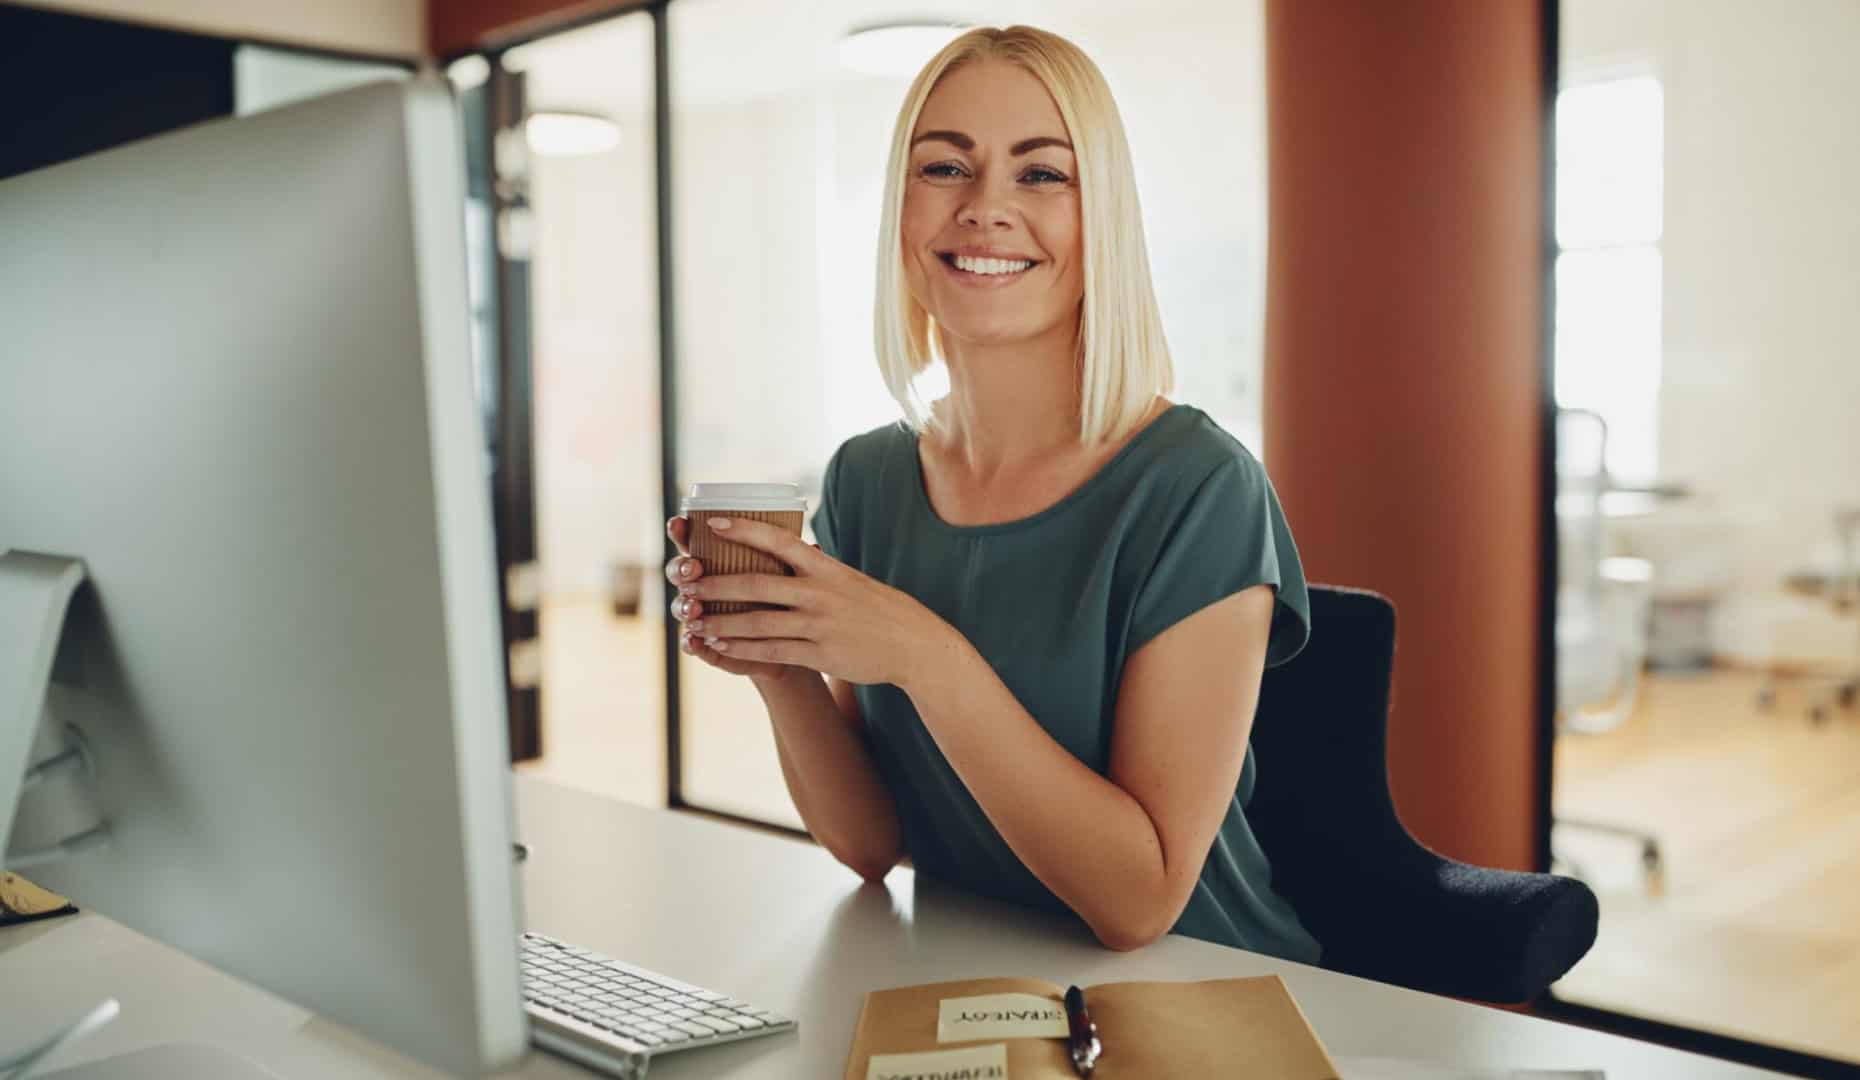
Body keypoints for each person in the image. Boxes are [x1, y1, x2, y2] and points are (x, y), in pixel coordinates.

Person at [664, 25, 1317, 962]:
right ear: (901, 207)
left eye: (1042, 175)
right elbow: (869, 845)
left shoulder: (1200, 488)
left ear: (1103, 221)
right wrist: (781, 665)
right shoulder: (865, 479)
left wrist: (925, 657)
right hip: (968, 975)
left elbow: (1140, 906)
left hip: (1200, 987)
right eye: (944, 168)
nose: (985, 209)